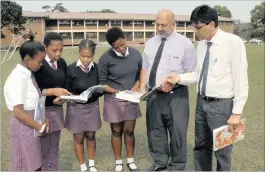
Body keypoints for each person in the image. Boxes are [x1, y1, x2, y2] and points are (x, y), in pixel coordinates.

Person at [165, 5, 249, 171]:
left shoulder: (233, 43)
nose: (195, 31)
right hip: (201, 104)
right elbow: (198, 74)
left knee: (222, 151)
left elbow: (241, 79)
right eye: (193, 27)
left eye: (198, 27)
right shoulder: (202, 46)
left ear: (211, 24)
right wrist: (179, 78)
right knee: (201, 148)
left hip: (222, 106)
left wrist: (236, 112)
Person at [139, 9, 196, 171]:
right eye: (157, 24)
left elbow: (191, 72)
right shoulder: (150, 43)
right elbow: (145, 67)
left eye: (164, 25)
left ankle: (177, 166)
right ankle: (160, 162)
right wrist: (143, 86)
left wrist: (174, 82)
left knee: (177, 132)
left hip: (176, 95)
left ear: (174, 24)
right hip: (153, 95)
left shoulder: (185, 44)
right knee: (155, 130)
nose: (160, 28)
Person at [4, 32, 70, 171]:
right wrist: (39, 127)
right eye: (39, 62)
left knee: (35, 164)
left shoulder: (27, 75)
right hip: (25, 124)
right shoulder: (18, 78)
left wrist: (43, 119)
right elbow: (18, 111)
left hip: (32, 122)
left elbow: (35, 99)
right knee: (27, 164)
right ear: (27, 59)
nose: (41, 65)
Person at [98, 27, 142, 171]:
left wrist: (136, 86)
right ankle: (118, 161)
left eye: (123, 44)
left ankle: (130, 160)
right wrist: (113, 90)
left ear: (125, 38)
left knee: (129, 131)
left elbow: (140, 75)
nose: (121, 49)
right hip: (113, 99)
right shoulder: (105, 58)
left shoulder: (136, 54)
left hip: (130, 98)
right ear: (111, 46)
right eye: (117, 47)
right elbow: (102, 81)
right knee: (116, 130)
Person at [64, 39, 103, 172]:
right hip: (76, 108)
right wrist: (72, 98)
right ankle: (83, 166)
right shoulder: (70, 69)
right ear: (79, 53)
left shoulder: (97, 68)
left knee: (91, 136)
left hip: (92, 107)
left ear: (93, 55)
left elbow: (101, 88)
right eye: (83, 56)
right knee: (79, 138)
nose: (86, 59)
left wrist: (95, 93)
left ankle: (92, 164)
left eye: (89, 56)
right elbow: (66, 89)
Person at [34, 32, 68, 171]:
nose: (58, 54)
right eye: (54, 50)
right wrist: (52, 91)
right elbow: (33, 92)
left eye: (61, 50)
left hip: (57, 111)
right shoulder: (38, 65)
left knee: (54, 147)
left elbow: (64, 85)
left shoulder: (62, 63)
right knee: (42, 148)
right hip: (41, 112)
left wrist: (63, 97)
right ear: (45, 47)